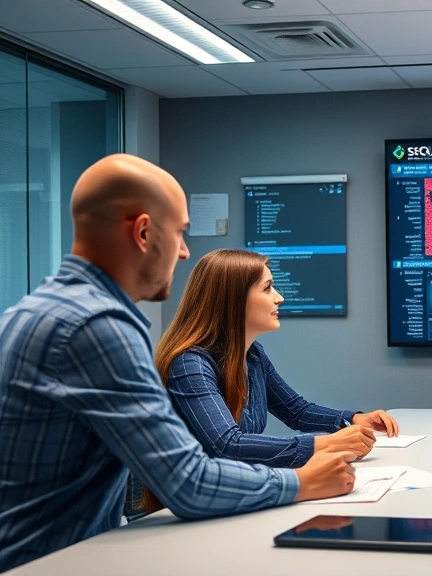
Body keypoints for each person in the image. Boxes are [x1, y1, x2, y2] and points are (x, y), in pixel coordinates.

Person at [0, 155, 357, 572]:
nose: (185, 253)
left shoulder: (29, 312)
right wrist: (302, 481)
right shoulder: (97, 327)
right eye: (181, 234)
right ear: (144, 232)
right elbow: (188, 481)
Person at [155, 248, 397, 468]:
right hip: (171, 512)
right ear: (235, 300)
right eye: (267, 288)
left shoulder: (253, 355)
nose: (279, 298)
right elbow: (228, 446)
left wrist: (355, 419)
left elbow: (296, 411)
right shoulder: (190, 364)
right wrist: (327, 445)